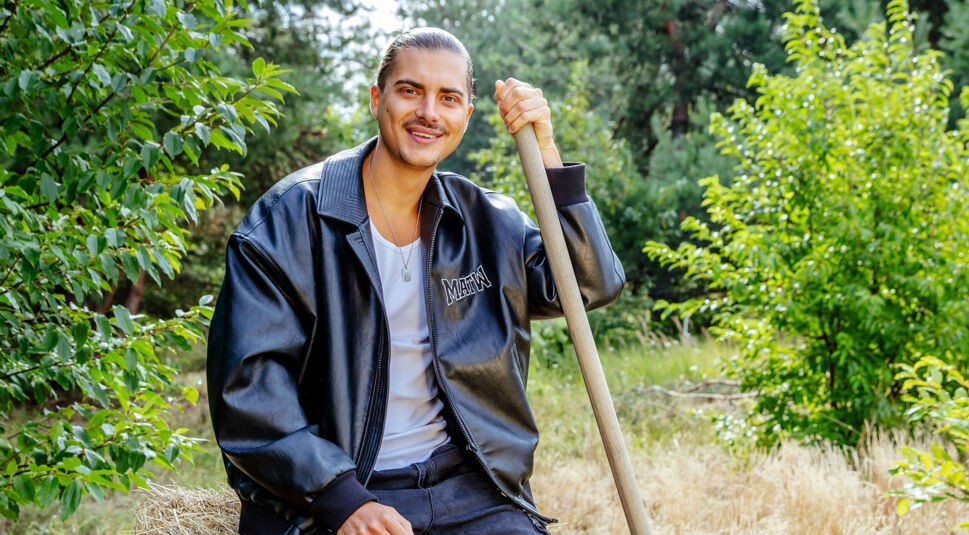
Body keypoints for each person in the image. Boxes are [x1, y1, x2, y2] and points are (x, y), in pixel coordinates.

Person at [206, 27, 625, 535]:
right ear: (377, 98)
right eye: (410, 91)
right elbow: (248, 389)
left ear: (466, 117)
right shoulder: (288, 221)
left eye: (448, 98)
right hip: (333, 491)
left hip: (468, 491)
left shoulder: (486, 222)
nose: (429, 112)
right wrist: (343, 501)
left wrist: (548, 151)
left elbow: (587, 283)